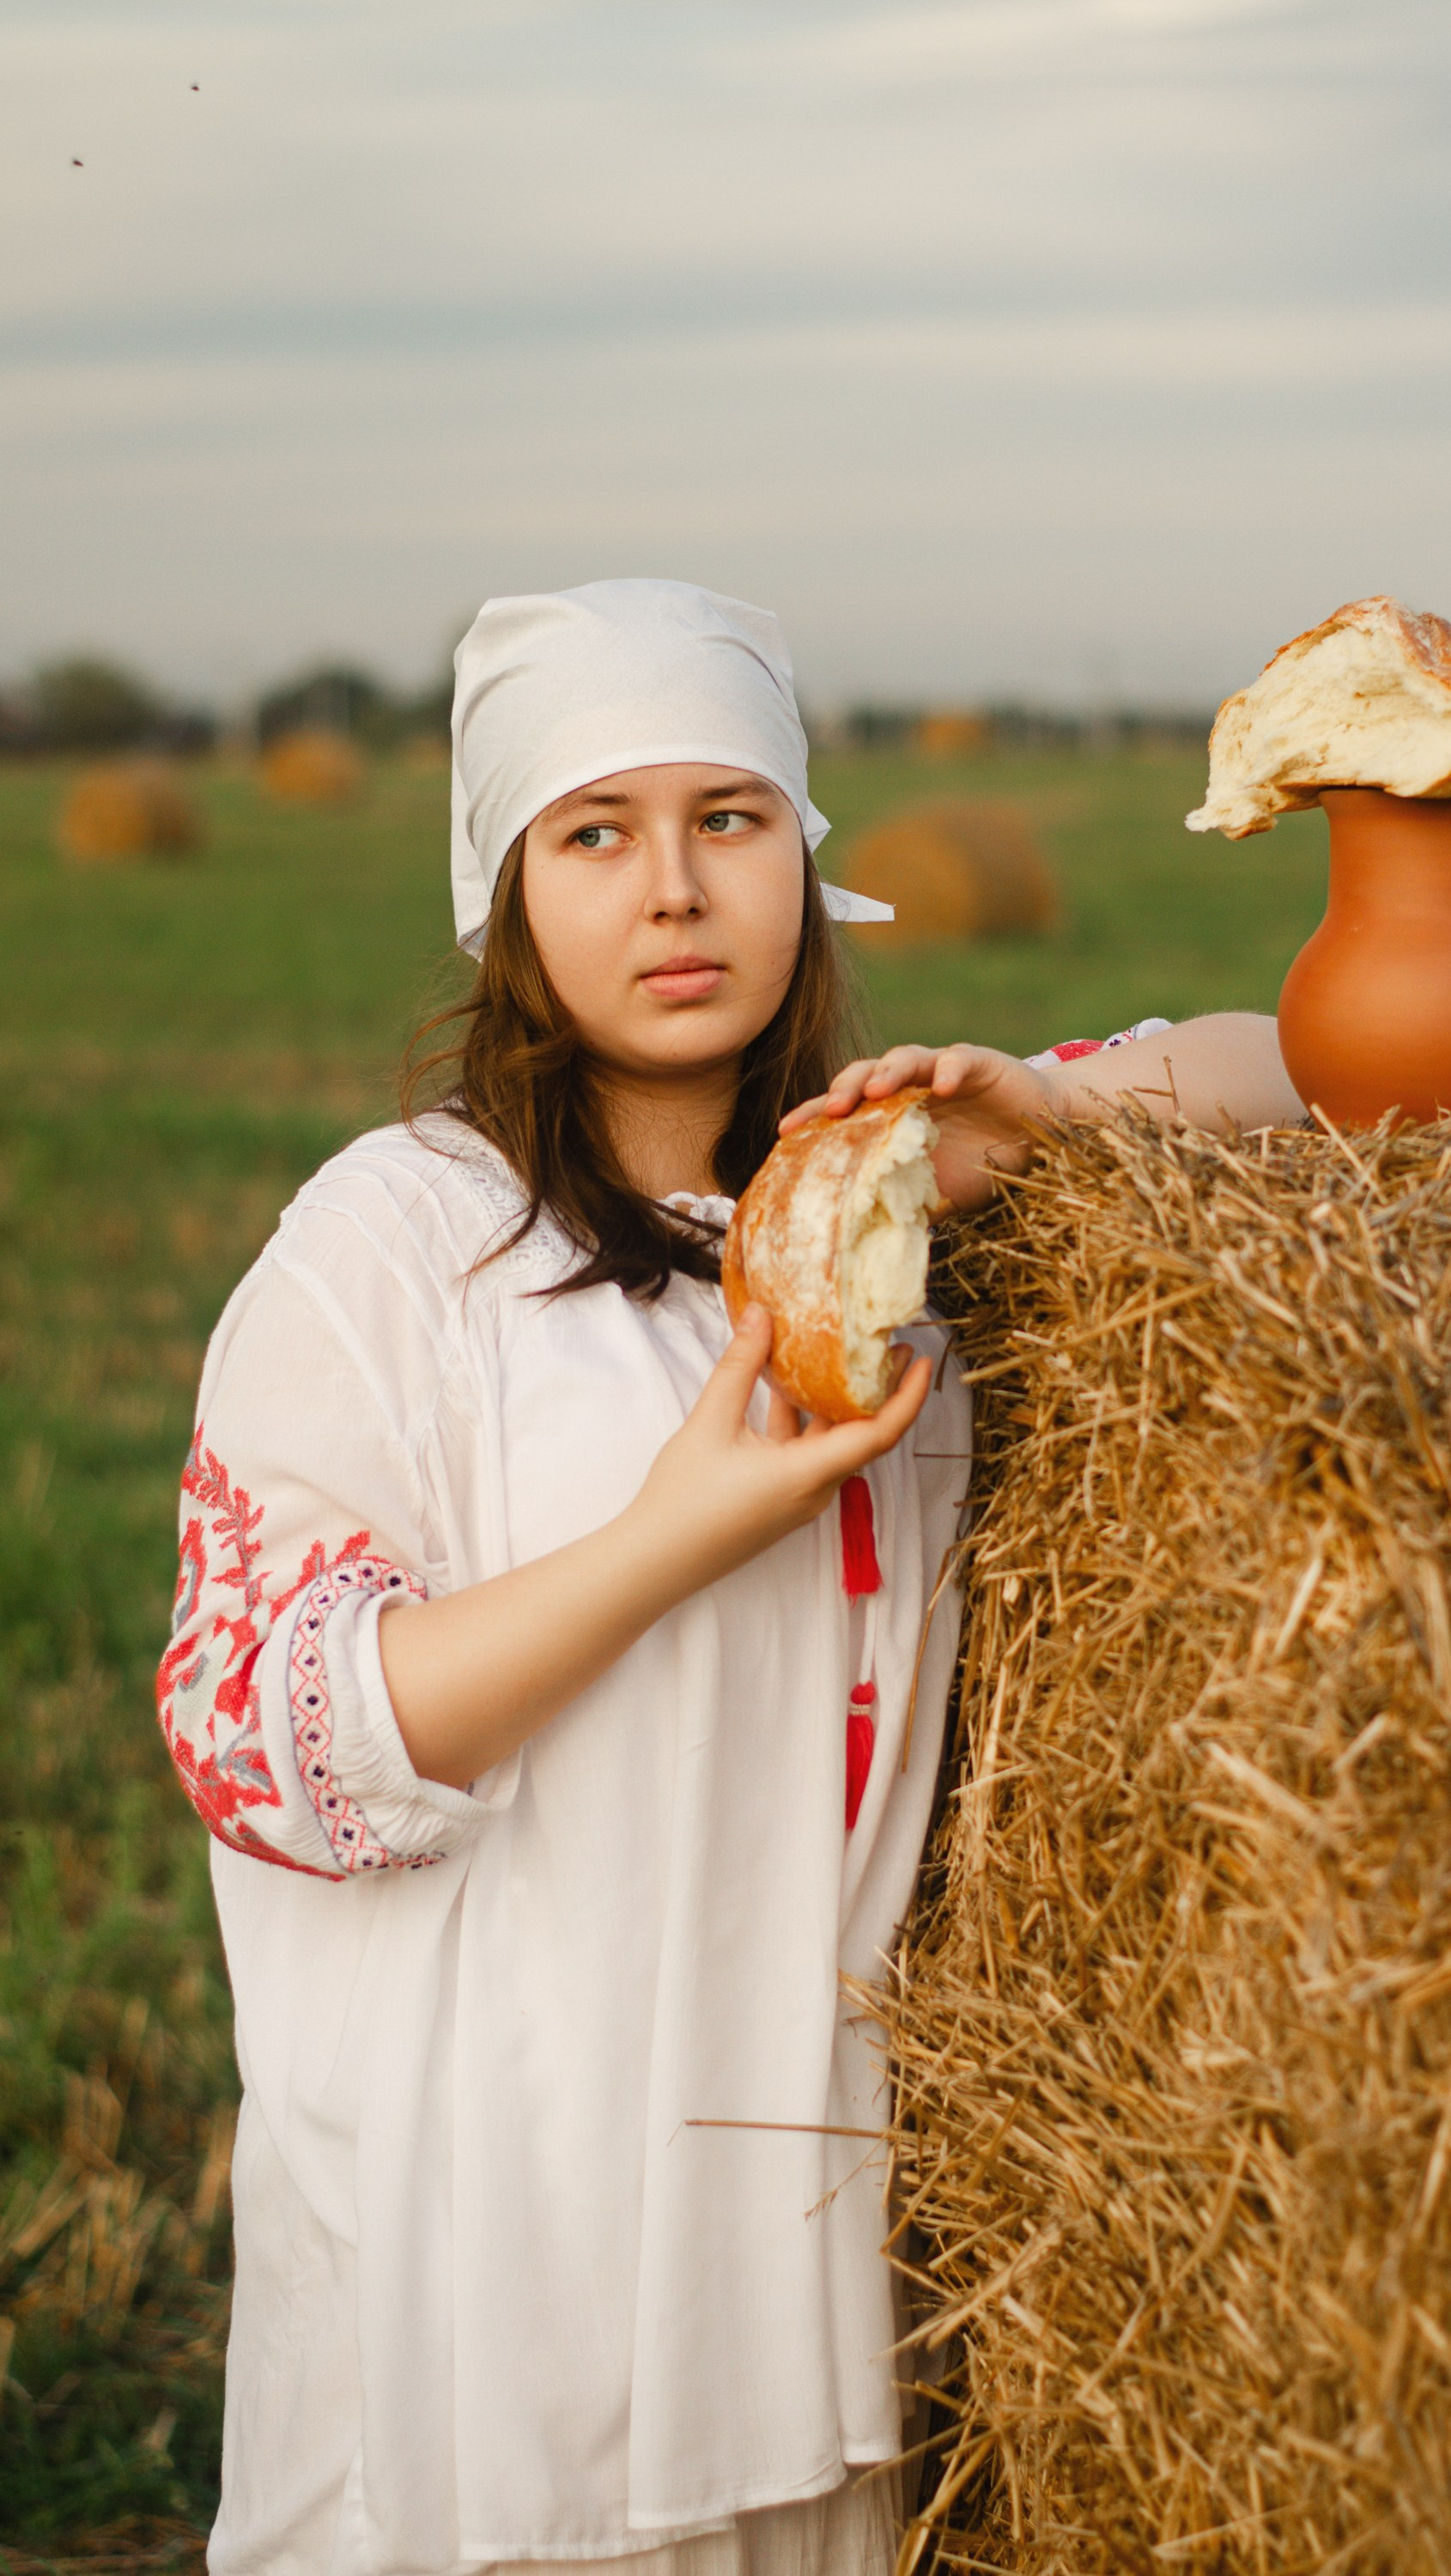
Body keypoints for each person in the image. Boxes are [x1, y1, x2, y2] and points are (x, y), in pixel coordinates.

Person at [156, 580, 1302, 2576]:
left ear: (804, 861)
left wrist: (1055, 1113)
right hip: (511, 2214)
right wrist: (675, 1538)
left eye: (731, 819)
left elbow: (1347, 1079)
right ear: (509, 896)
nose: (673, 891)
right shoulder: (399, 1243)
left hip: (807, 2228)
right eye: (596, 833)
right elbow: (268, 1740)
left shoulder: (884, 1192)